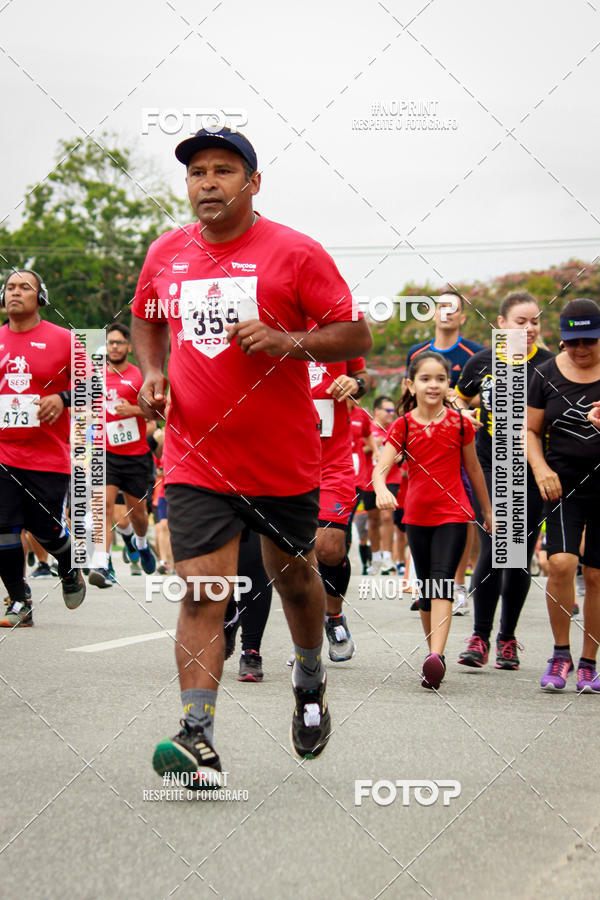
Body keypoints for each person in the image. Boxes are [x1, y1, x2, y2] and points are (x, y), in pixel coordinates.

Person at [131, 127, 371, 780]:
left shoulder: (295, 253)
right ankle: (197, 736)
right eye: (196, 172)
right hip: (195, 457)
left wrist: (288, 340)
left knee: (294, 578)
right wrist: (153, 372)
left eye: (223, 171)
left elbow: (355, 333)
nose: (207, 182)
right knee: (203, 588)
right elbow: (147, 317)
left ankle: (310, 681)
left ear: (253, 182)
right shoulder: (166, 253)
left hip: (280, 461)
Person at [373, 351, 492, 690]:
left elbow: (473, 470)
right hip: (416, 517)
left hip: (453, 514)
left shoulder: (460, 425)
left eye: (440, 379)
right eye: (425, 379)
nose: (433, 385)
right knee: (426, 589)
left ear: (448, 384)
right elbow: (381, 467)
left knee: (441, 580)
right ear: (411, 384)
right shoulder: (404, 424)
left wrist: (487, 511)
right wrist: (381, 489)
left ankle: (437, 656)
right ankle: (431, 656)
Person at [454, 291, 554, 670]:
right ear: (500, 324)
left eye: (534, 322)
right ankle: (480, 637)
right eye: (520, 322)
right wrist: (466, 415)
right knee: (496, 546)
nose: (529, 329)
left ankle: (507, 638)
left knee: (518, 559)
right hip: (489, 465)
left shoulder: (550, 365)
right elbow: (460, 399)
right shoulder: (482, 362)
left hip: (532, 471)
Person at [0, 270, 85, 627]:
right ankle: (20, 600)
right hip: (3, 453)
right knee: (3, 527)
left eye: (25, 287)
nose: (15, 292)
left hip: (47, 456)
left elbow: (96, 385)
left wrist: (63, 398)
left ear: (41, 298)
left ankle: (68, 569)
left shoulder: (65, 339)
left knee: (45, 529)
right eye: (10, 287)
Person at [527, 298, 600, 692]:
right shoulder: (544, 374)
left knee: (597, 574)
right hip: (562, 484)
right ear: (562, 340)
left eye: (590, 340)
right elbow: (531, 431)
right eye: (573, 341)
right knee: (561, 563)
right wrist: (541, 469)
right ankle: (560, 655)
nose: (581, 349)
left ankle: (589, 663)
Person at [310, 357, 368, 660]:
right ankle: (305, 643)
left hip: (333, 465)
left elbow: (363, 377)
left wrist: (356, 383)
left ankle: (334, 617)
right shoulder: (273, 329)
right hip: (285, 461)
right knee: (292, 557)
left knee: (329, 548)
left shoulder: (338, 329)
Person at [89, 324, 156, 587]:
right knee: (103, 507)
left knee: (138, 515)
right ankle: (102, 564)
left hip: (136, 455)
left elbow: (157, 414)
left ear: (128, 346)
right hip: (106, 454)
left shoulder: (140, 377)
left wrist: (133, 410)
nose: (114, 346)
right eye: (110, 342)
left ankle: (139, 544)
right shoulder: (96, 379)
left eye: (119, 342)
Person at [366, 396, 399, 574]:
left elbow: (401, 454)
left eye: (393, 411)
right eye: (388, 410)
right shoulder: (368, 429)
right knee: (373, 520)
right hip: (368, 479)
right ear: (376, 411)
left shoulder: (395, 429)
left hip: (391, 477)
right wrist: (373, 446)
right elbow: (356, 449)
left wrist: (392, 456)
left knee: (387, 516)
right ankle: (376, 558)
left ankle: (388, 558)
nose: (391, 414)